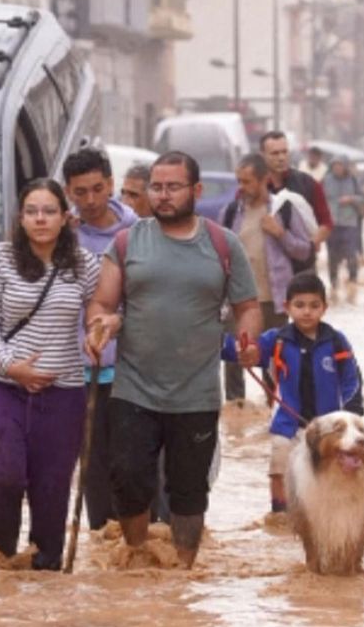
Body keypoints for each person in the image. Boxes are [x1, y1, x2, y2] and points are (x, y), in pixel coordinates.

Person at [86, 151, 263, 568]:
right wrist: (101, 325)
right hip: (134, 388)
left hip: (196, 392)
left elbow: (248, 306)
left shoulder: (223, 244)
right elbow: (102, 302)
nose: (163, 196)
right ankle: (137, 558)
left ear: (196, 191)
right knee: (129, 480)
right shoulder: (128, 242)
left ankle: (184, 571)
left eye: (173, 187)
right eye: (157, 187)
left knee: (188, 491)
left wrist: (248, 341)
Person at [0, 178, 100, 570]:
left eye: (48, 211)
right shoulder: (0, 258)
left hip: (64, 395)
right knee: (3, 475)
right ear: (21, 218)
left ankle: (45, 573)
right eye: (32, 211)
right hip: (3, 387)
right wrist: (12, 367)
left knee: (53, 488)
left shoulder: (84, 264)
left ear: (65, 218)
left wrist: (97, 332)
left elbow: (102, 310)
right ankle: (1, 562)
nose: (40, 219)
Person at [63, 149, 138, 530]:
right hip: (81, 374)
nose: (90, 200)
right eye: (80, 192)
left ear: (111, 184)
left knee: (134, 467)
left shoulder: (138, 233)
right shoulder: (63, 238)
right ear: (68, 192)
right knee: (92, 470)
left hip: (133, 372)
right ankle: (102, 548)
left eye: (97, 189)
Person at [250, 272, 363, 514]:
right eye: (299, 305)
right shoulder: (276, 340)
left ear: (325, 308)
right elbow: (246, 352)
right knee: (278, 470)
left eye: (314, 305)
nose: (307, 311)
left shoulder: (336, 341)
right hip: (287, 424)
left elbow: (351, 379)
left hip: (328, 427)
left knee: (330, 472)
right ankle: (280, 515)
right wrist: (231, 347)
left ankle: (328, 515)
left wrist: (352, 414)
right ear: (286, 307)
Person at [219, 154, 313, 402]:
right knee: (234, 361)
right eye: (239, 181)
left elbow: (305, 249)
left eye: (247, 181)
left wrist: (280, 233)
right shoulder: (230, 213)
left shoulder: (284, 209)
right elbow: (217, 256)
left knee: (274, 363)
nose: (242, 187)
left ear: (264, 180)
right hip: (238, 301)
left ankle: (274, 413)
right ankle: (236, 420)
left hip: (275, 300)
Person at [261, 131, 333, 252]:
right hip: (267, 263)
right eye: (275, 153)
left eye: (284, 152)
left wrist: (309, 247)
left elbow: (326, 223)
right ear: (262, 155)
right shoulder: (256, 186)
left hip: (302, 267)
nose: (281, 158)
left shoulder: (307, 184)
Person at [322, 156, 364, 293]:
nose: (338, 168)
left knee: (351, 254)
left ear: (345, 167)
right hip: (331, 224)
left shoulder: (353, 180)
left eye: (340, 165)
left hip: (349, 223)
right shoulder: (326, 180)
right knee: (332, 256)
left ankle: (353, 283)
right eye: (335, 166)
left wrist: (351, 199)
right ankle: (333, 285)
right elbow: (318, 199)